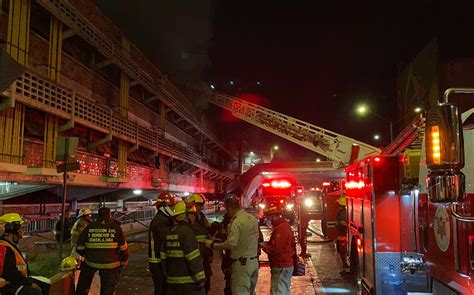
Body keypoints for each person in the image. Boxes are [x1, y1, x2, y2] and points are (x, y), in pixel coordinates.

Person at [205, 194, 260, 295]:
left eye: (226, 209)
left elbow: (231, 244)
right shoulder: (252, 219)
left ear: (229, 208)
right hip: (254, 263)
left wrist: (213, 245)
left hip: (241, 265)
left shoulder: (236, 222)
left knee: (240, 292)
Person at [76, 207, 129, 295]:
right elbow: (123, 248)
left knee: (83, 284)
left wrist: (87, 254)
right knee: (107, 288)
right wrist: (123, 262)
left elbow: (79, 247)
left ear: (98, 215)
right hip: (110, 265)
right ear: (110, 215)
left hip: (91, 262)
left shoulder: (89, 227)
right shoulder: (116, 227)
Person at [164, 201, 205, 295]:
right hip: (188, 284)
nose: (194, 217)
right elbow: (193, 258)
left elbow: (163, 258)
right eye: (192, 214)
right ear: (186, 216)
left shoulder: (170, 233)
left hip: (172, 283)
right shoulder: (187, 233)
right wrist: (201, 279)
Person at [0, 213, 46, 295]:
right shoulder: (5, 247)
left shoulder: (10, 245)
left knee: (44, 285)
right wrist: (29, 283)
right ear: (13, 229)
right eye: (20, 228)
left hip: (13, 282)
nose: (22, 230)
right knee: (35, 292)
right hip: (6, 286)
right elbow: (11, 274)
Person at [261, 206, 295, 295]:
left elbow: (275, 249)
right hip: (284, 264)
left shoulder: (281, 228)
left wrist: (263, 246)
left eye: (269, 218)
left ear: (273, 216)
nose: (269, 220)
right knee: (283, 291)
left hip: (281, 265)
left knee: (277, 291)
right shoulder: (283, 226)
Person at [149, 192, 176, 295]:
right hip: (157, 261)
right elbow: (168, 239)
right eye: (172, 206)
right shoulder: (161, 221)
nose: (173, 209)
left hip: (159, 260)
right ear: (165, 207)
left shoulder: (163, 219)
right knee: (161, 289)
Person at [185, 193, 213, 294]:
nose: (200, 207)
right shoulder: (186, 219)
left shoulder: (201, 216)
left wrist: (210, 253)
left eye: (201, 205)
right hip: (194, 255)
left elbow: (206, 233)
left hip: (204, 253)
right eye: (198, 205)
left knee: (207, 281)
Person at [336, 193, 350, 275]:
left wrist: (341, 224)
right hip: (341, 236)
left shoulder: (342, 213)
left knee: (343, 253)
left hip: (343, 237)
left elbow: (344, 223)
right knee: (342, 253)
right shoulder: (343, 212)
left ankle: (346, 269)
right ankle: (345, 268)